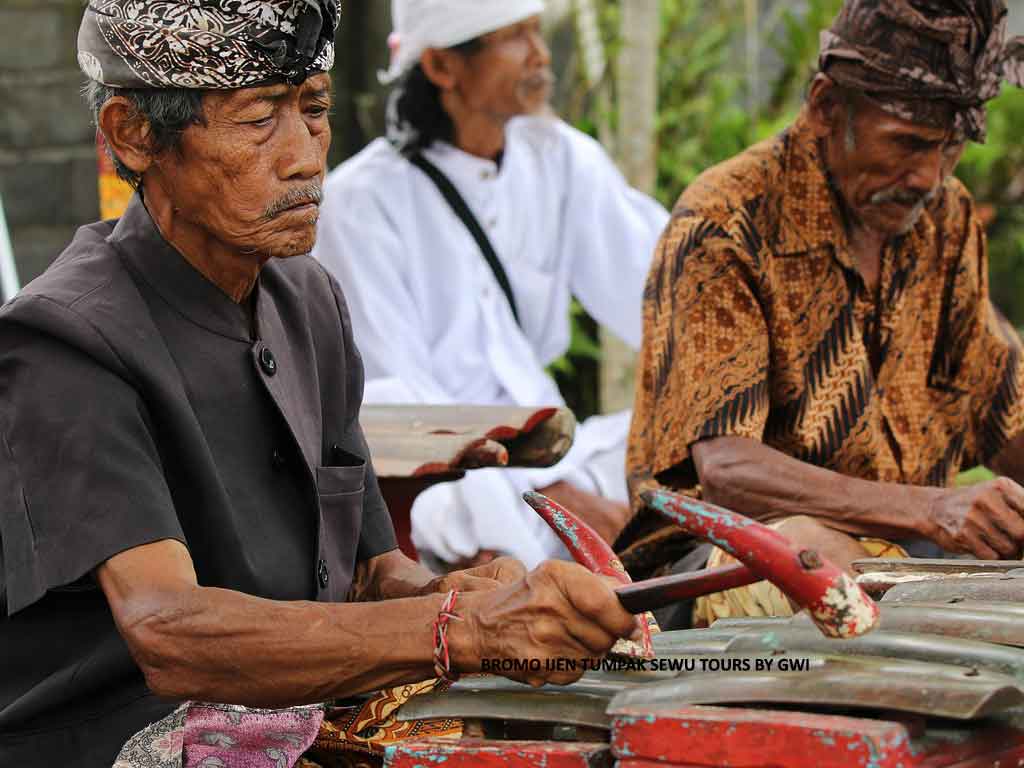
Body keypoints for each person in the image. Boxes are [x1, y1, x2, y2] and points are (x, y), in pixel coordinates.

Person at [0, 3, 639, 766]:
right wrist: (458, 631)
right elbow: (167, 631)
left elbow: (372, 573)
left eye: (314, 109)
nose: (307, 155)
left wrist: (470, 595)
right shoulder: (65, 339)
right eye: (260, 119)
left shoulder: (309, 301)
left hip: (296, 726)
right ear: (135, 135)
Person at [626, 0, 1024, 629]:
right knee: (821, 558)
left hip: (905, 557)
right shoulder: (726, 220)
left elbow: (1003, 416)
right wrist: (934, 509)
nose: (928, 175)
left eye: (949, 149)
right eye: (908, 144)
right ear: (824, 107)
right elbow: (729, 470)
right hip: (713, 565)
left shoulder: (945, 221)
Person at [313, 0, 670, 571]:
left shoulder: (561, 160)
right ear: (442, 68)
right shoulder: (361, 205)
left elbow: (664, 292)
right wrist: (556, 495)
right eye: (514, 37)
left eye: (536, 31)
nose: (540, 54)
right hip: (449, 480)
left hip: (554, 454)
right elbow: (398, 410)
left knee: (684, 448)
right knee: (456, 510)